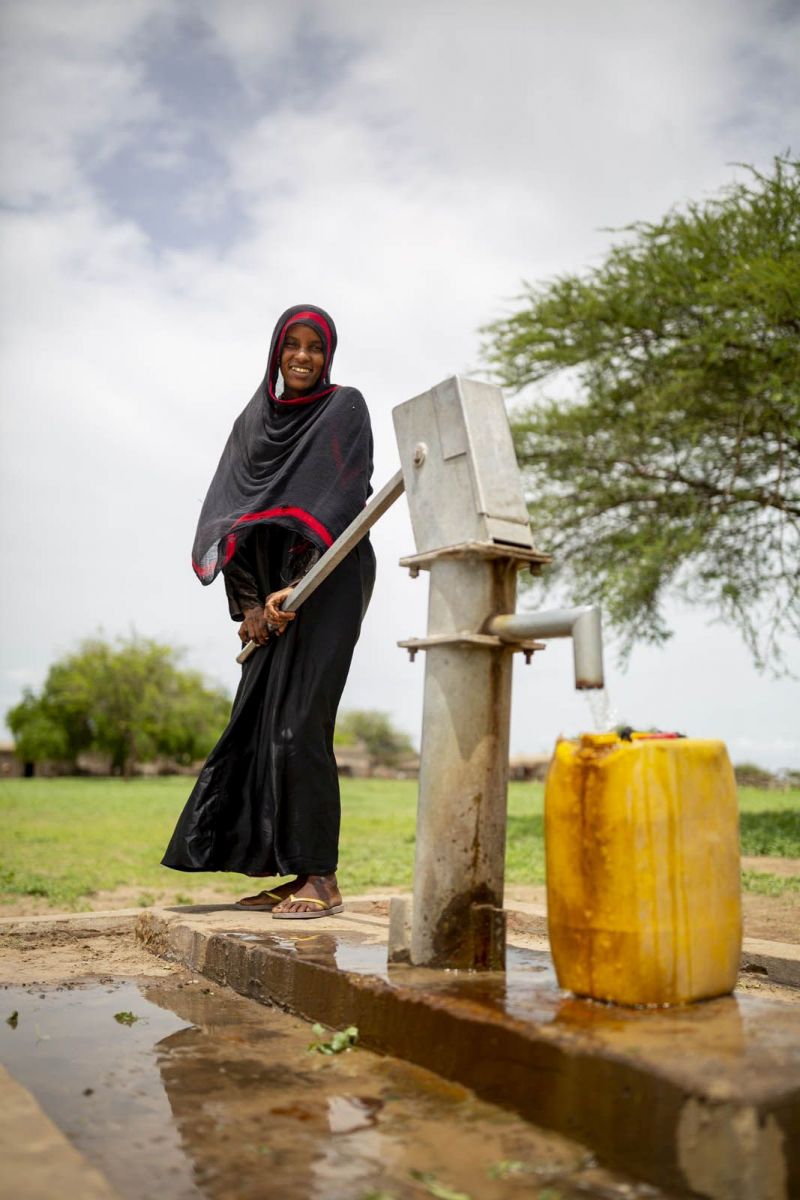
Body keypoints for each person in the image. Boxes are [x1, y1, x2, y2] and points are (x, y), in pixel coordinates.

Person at [162, 304, 375, 918]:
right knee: (261, 723)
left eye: (315, 347)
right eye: (292, 345)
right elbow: (234, 515)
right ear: (277, 352)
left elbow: (342, 495)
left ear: (327, 355)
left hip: (330, 573)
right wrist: (252, 604)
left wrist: (300, 581)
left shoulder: (345, 406)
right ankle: (292, 871)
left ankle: (322, 879)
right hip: (270, 592)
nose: (303, 356)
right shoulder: (253, 422)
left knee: (301, 722)